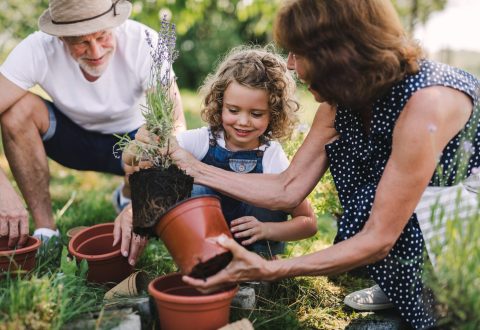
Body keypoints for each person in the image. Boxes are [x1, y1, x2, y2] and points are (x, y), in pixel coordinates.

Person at [160, 1, 479, 329]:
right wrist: (193, 168)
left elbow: (378, 237)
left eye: (298, 53)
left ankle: (435, 293)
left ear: (338, 54)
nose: (290, 65)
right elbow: (288, 188)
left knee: (451, 317)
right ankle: (402, 287)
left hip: (461, 222)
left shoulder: (426, 104)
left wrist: (271, 269)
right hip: (410, 207)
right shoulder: (342, 99)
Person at [0, 0, 186, 247]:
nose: (96, 52)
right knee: (16, 111)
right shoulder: (37, 48)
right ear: (61, 38)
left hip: (131, 144)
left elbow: (175, 127)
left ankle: (128, 196)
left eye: (102, 36)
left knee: (158, 138)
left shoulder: (143, 41)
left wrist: (141, 206)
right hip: (71, 140)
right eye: (81, 42)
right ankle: (46, 231)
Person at [114, 47, 317, 265]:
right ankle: (202, 259)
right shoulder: (203, 140)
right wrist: (139, 145)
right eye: (233, 110)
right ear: (220, 105)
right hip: (205, 246)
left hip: (253, 251)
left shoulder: (271, 155)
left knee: (269, 193)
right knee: (192, 187)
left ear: (274, 114)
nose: (243, 121)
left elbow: (308, 222)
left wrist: (268, 229)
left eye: (256, 114)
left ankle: (259, 264)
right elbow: (134, 159)